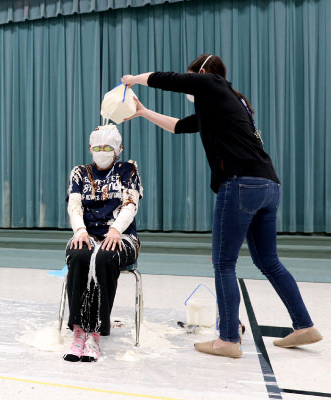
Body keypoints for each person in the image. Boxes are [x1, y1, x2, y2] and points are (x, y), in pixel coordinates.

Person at [121, 54, 322, 358]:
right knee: (269, 262)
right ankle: (304, 326)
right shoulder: (226, 104)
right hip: (268, 186)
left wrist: (133, 79)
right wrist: (143, 112)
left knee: (224, 263)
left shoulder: (212, 83)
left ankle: (228, 339)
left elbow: (170, 79)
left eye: (193, 76)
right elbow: (178, 126)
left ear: (201, 72)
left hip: (240, 184)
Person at [64, 124, 142, 362]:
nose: (102, 151)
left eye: (108, 147)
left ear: (119, 149)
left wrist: (116, 229)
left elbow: (131, 204)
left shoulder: (128, 170)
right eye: (97, 147)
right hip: (87, 234)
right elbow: (74, 204)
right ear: (90, 148)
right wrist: (79, 230)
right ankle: (78, 329)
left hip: (122, 236)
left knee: (105, 257)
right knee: (78, 255)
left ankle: (96, 331)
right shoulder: (79, 172)